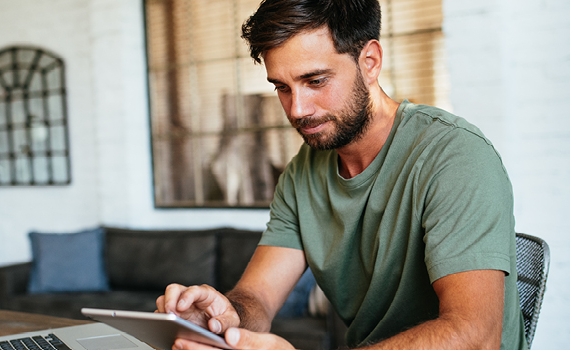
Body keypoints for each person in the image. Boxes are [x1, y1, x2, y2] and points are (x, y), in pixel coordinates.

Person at [156, 0, 526, 349]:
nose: (297, 109)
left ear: (370, 62)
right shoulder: (304, 171)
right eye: (282, 88)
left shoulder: (455, 156)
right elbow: (258, 297)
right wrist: (220, 318)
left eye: (315, 81)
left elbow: (477, 337)